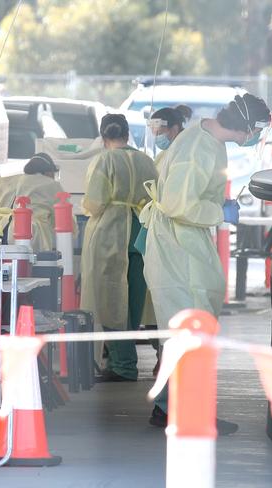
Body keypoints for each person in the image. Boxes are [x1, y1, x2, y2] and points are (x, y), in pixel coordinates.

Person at [140, 93, 271, 431]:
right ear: (246, 128)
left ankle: (170, 408)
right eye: (258, 131)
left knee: (184, 330)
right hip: (179, 249)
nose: (256, 138)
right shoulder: (199, 146)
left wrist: (216, 204)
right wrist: (219, 212)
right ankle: (186, 413)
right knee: (192, 329)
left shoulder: (205, 140)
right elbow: (178, 204)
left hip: (184, 244)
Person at [80, 114, 158, 382]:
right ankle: (125, 361)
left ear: (103, 137)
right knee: (135, 300)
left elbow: (95, 200)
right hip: (141, 232)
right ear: (127, 134)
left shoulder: (104, 160)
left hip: (111, 233)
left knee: (111, 299)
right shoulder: (146, 160)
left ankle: (123, 365)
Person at [0, 152, 64, 250]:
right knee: (26, 263)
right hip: (30, 233)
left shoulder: (1, 181)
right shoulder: (51, 185)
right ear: (48, 171)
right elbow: (64, 221)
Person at [150, 107, 185, 174]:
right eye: (154, 134)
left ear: (174, 130)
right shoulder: (163, 155)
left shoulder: (184, 154)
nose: (156, 138)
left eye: (159, 133)